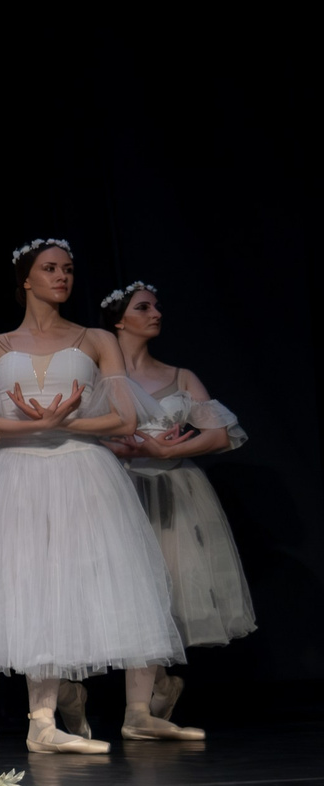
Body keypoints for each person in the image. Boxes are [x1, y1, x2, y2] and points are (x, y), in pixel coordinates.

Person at [0, 239, 189, 749]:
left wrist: (69, 420)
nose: (61, 277)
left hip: (82, 467)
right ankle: (41, 723)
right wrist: (36, 423)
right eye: (49, 269)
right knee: (32, 585)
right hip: (16, 473)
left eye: (67, 269)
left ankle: (137, 713)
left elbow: (126, 417)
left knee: (111, 577)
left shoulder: (94, 340)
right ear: (26, 279)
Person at [103, 279, 251, 735]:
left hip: (172, 492)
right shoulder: (98, 377)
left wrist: (165, 451)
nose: (155, 313)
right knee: (117, 591)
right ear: (118, 319)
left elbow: (221, 432)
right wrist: (124, 446)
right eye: (143, 307)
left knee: (159, 592)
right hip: (117, 492)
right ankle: (85, 695)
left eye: (157, 306)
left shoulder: (179, 375)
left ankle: (139, 710)